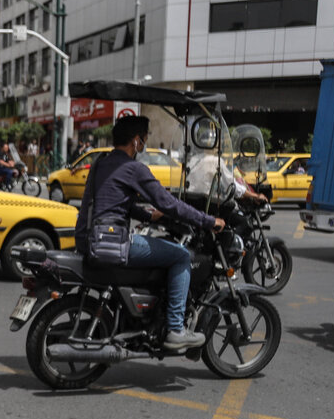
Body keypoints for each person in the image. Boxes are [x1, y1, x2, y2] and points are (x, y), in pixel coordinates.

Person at [74, 115, 226, 351]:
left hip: (89, 237)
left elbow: (111, 203)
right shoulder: (132, 168)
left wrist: (147, 216)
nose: (145, 144)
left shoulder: (102, 162)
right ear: (136, 141)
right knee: (181, 256)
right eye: (144, 138)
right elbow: (169, 203)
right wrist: (207, 220)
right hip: (112, 242)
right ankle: (176, 329)